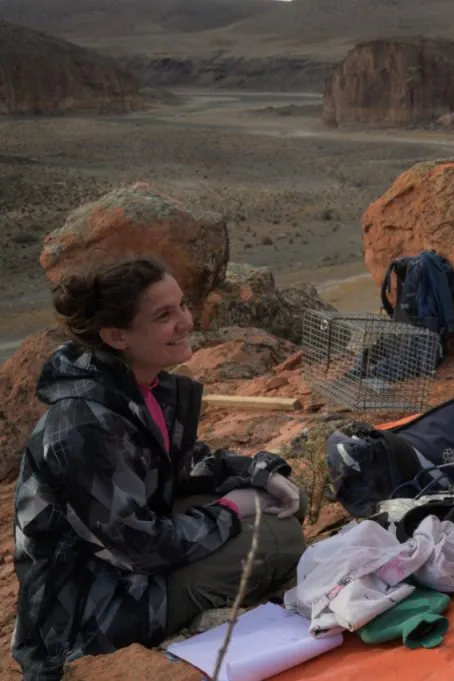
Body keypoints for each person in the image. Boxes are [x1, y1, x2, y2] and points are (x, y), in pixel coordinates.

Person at [11, 256, 309, 681]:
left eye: (183, 305)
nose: (186, 322)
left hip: (124, 564)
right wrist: (229, 511)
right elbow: (140, 548)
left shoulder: (139, 389)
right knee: (278, 538)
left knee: (286, 501)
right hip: (89, 610)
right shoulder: (80, 426)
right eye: (164, 316)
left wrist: (260, 473)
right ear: (117, 336)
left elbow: (181, 465)